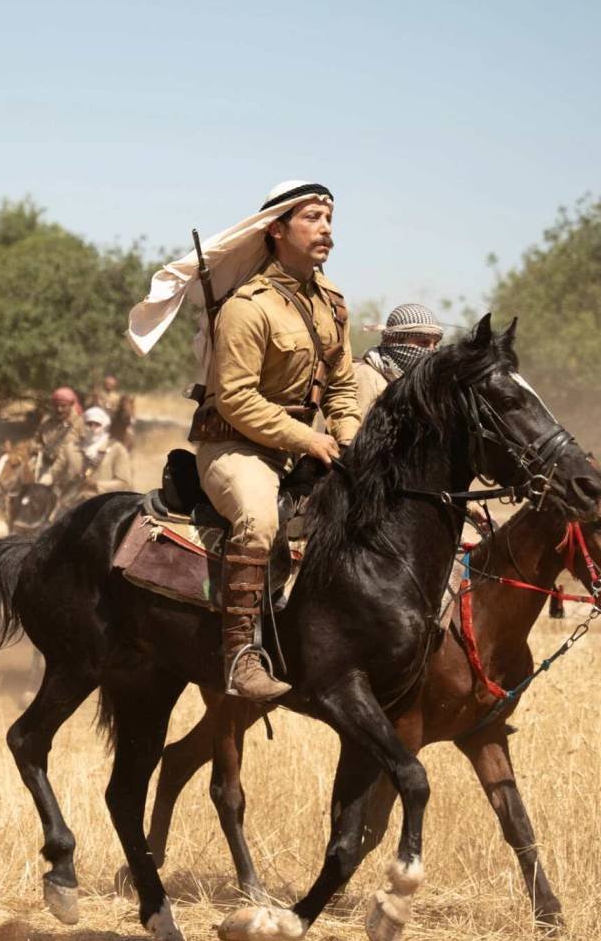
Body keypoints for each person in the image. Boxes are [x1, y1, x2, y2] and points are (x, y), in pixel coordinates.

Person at [190, 181, 359, 701]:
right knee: (260, 520)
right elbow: (235, 398)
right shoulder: (248, 305)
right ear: (277, 229)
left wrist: (349, 441)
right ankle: (241, 656)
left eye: (329, 217)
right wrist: (307, 440)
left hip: (304, 446)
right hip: (235, 447)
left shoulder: (332, 302)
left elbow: (344, 386)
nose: (326, 227)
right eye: (312, 217)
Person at [353, 303, 443, 414]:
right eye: (423, 342)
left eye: (435, 344)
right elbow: (355, 428)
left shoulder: (420, 385)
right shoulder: (365, 376)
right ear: (393, 341)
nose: (431, 351)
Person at [51, 406, 133, 508]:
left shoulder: (117, 449)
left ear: (104, 426)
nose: (92, 428)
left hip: (103, 506)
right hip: (70, 505)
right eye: (89, 424)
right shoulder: (70, 448)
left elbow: (124, 483)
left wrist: (97, 484)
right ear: (83, 425)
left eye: (97, 424)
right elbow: (53, 474)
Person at [34, 385, 86, 496]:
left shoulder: (80, 423)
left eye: (63, 406)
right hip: (45, 467)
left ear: (71, 405)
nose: (59, 410)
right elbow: (36, 439)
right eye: (56, 406)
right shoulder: (46, 421)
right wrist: (37, 446)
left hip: (66, 473)